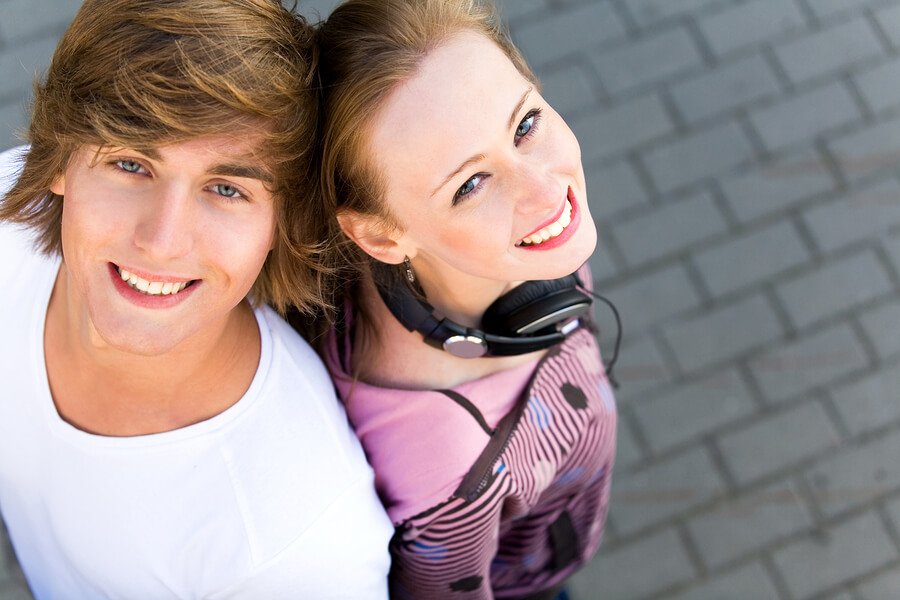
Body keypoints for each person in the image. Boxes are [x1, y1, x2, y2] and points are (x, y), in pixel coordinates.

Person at [0, 0, 392, 597]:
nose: (160, 242)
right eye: (131, 163)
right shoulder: (9, 222)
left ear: (278, 226)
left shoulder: (295, 549)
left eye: (226, 189)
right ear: (56, 158)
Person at [314, 0, 619, 598]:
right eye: (470, 185)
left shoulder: (512, 254)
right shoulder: (449, 477)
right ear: (380, 236)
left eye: (525, 125)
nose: (544, 190)